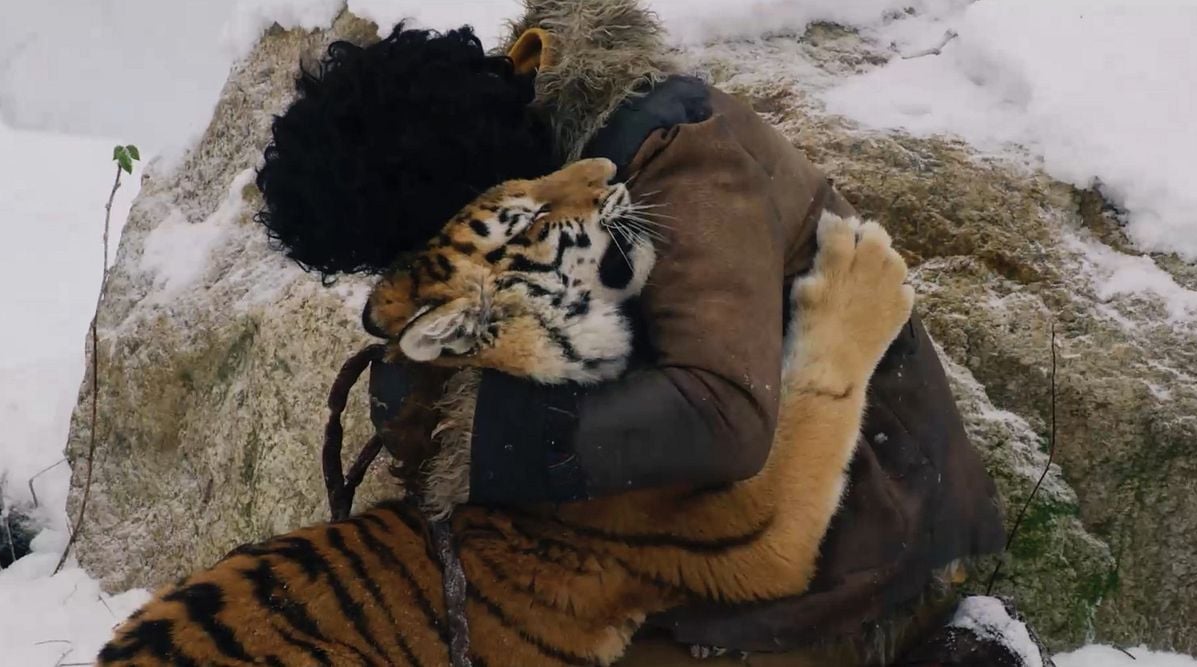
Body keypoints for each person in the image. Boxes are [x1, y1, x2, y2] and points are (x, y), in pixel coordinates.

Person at [254, 2, 1009, 664]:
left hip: (859, 544)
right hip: (673, 539)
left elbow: (726, 413)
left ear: (458, 201)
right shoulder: (528, 178)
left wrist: (488, 433)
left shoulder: (680, 157)